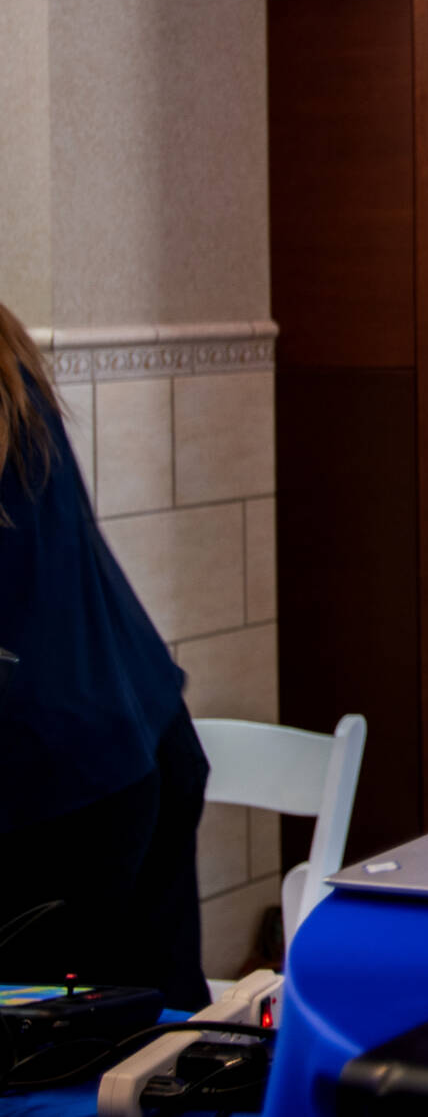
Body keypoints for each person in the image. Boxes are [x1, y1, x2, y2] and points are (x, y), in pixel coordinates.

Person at [0, 301, 210, 1012]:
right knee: (160, 1039)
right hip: (143, 737)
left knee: (55, 1054)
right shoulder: (12, 371)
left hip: (65, 778)